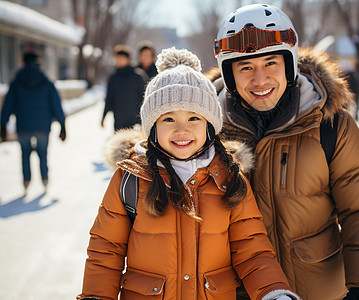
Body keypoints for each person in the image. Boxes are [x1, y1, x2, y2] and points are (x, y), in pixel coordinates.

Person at [78, 48, 299, 300]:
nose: (182, 130)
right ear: (152, 128)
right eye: (168, 119)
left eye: (194, 118)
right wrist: (95, 295)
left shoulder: (229, 178)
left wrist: (273, 293)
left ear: (209, 126)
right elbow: (106, 249)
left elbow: (252, 250)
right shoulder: (131, 178)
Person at [209, 4, 359, 300]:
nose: (260, 79)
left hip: (318, 289)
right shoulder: (206, 132)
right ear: (230, 76)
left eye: (271, 63)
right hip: (240, 291)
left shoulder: (329, 123)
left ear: (289, 63)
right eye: (245, 67)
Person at [0, 51, 66, 192]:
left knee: (25, 154)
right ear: (38, 62)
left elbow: (8, 104)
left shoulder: (17, 81)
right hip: (43, 125)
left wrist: (3, 124)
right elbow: (56, 104)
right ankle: (45, 179)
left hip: (23, 125)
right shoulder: (47, 81)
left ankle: (26, 181)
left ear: (23, 61)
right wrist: (62, 125)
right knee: (43, 153)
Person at [101, 44, 146, 131]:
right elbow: (109, 98)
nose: (119, 61)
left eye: (122, 58)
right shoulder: (113, 78)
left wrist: (142, 120)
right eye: (117, 58)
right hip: (118, 118)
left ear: (128, 59)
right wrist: (104, 116)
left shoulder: (137, 76)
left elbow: (143, 98)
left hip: (135, 119)